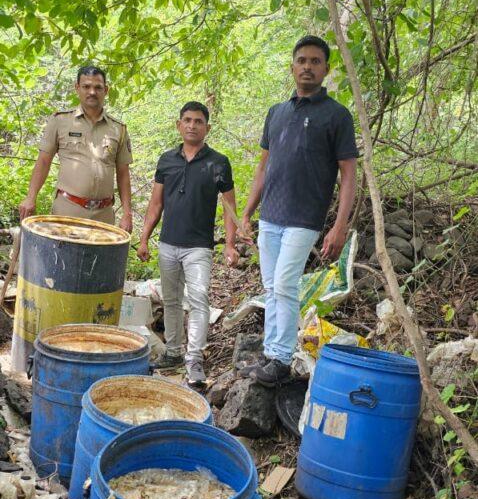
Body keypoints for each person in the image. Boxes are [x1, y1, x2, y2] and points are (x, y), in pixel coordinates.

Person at [240, 35, 358, 387]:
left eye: (315, 61)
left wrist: (338, 227)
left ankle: (280, 359)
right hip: (271, 215)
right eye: (302, 60)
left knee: (286, 284)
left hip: (304, 217)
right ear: (292, 67)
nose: (308, 66)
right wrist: (247, 213)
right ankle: (270, 351)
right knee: (270, 286)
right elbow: (263, 169)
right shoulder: (277, 113)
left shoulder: (336, 115)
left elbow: (349, 175)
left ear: (325, 69)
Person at [138, 101, 239, 386]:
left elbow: (229, 207)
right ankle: (173, 351)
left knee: (198, 300)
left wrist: (229, 244)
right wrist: (144, 238)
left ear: (207, 127)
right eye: (187, 120)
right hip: (168, 243)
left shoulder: (218, 162)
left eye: (198, 121)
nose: (192, 125)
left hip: (199, 246)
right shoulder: (167, 160)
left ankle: (194, 359)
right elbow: (156, 203)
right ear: (179, 125)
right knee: (171, 300)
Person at [19, 65, 133, 231]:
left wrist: (127, 213)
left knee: (98, 258)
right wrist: (31, 197)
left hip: (104, 216)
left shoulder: (118, 129)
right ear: (77, 88)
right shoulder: (60, 121)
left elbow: (123, 173)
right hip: (67, 211)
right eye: (86, 86)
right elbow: (43, 162)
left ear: (106, 90)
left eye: (97, 87)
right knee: (63, 257)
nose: (92, 92)